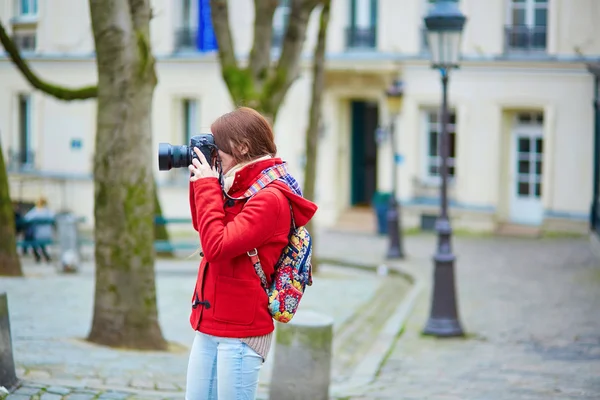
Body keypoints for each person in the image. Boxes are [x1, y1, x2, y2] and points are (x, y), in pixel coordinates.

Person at [185, 107, 318, 400]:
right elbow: (203, 226)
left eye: (217, 148)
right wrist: (201, 181)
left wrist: (208, 184)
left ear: (242, 147)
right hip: (210, 321)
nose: (214, 156)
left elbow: (216, 246)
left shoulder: (270, 198)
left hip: (241, 333)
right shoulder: (237, 188)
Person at [23, 197, 55, 263]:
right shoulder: (48, 211)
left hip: (37, 233)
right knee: (41, 244)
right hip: (47, 233)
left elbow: (27, 218)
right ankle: (46, 257)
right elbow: (53, 218)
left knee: (33, 240)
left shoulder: (36, 211)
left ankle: (38, 256)